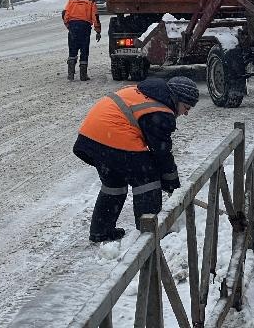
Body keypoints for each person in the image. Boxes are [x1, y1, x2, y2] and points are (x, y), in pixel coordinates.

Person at [73, 76, 199, 242]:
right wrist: (172, 184)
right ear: (176, 99)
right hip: (112, 137)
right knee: (148, 179)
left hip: (90, 138)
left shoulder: (144, 93)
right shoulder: (160, 111)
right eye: (186, 107)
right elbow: (161, 153)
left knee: (114, 183)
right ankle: (149, 236)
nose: (186, 113)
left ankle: (101, 231)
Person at [61, 0, 102, 81]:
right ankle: (83, 75)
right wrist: (98, 31)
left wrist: (69, 26)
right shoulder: (91, 2)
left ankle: (70, 74)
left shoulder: (72, 0)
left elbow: (64, 14)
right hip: (85, 27)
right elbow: (95, 17)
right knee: (84, 51)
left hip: (73, 27)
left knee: (72, 50)